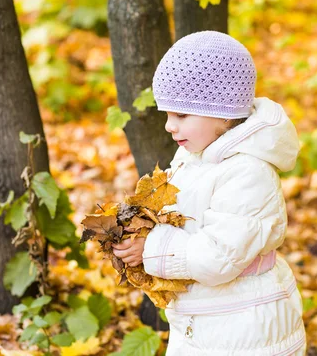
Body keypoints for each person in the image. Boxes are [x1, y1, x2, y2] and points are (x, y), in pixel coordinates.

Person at [112, 30, 306, 355]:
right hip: (206, 320)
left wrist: (152, 248)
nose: (169, 126)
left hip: (245, 325)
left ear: (224, 113)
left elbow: (219, 257)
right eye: (168, 115)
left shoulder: (248, 172)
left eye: (181, 115)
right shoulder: (194, 157)